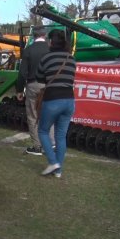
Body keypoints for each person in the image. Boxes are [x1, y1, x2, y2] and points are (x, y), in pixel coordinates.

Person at [36, 29, 76, 178]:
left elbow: (39, 78)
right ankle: (58, 171)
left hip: (52, 99)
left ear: (51, 42)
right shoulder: (71, 59)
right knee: (61, 136)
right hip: (69, 101)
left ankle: (53, 162)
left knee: (43, 131)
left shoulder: (46, 58)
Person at [16, 27, 51, 156]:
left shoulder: (28, 50)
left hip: (33, 84)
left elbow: (22, 72)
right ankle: (51, 143)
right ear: (45, 35)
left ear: (33, 35)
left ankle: (37, 146)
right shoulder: (50, 49)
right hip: (48, 85)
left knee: (32, 116)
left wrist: (19, 90)